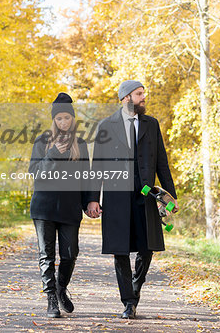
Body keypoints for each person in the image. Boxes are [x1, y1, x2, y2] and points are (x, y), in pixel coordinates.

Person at [85, 80, 179, 319]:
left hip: (145, 195)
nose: (143, 98)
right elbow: (98, 166)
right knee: (120, 250)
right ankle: (128, 302)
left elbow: (162, 163)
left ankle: (135, 289)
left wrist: (171, 196)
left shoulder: (151, 124)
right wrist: (93, 198)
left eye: (143, 94)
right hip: (117, 196)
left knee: (147, 248)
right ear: (126, 98)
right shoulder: (106, 126)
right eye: (139, 94)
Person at [29, 92, 89, 318]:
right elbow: (35, 173)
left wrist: (90, 202)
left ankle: (61, 288)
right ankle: (51, 300)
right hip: (44, 207)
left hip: (70, 208)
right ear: (54, 120)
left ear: (73, 119)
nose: (63, 122)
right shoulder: (43, 142)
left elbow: (88, 177)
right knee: (47, 255)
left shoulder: (80, 144)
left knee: (70, 254)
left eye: (67, 118)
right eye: (59, 118)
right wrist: (53, 154)